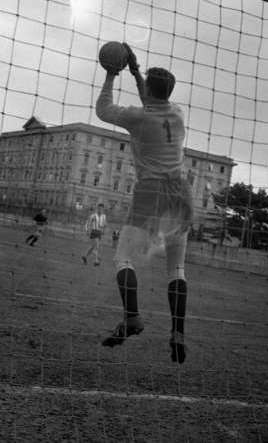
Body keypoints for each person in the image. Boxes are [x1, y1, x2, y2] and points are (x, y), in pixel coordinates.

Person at [95, 43, 193, 363]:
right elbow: (151, 101)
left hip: (151, 191)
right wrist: (137, 72)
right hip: (181, 193)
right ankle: (178, 331)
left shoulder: (138, 118)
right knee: (176, 267)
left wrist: (112, 74)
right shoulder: (176, 113)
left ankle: (132, 317)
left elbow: (103, 109)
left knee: (123, 257)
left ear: (150, 91)